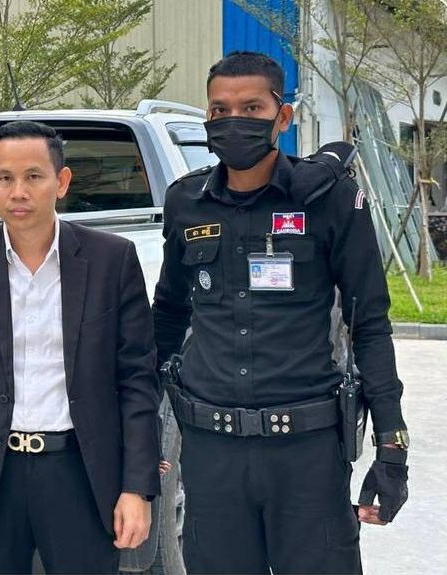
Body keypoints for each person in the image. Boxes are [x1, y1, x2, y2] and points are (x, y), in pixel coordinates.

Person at [153, 51, 409, 574]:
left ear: (282, 116)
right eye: (220, 110)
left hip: (307, 453)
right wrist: (140, 429)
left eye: (251, 108)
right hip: (211, 453)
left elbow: (369, 326)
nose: (233, 121)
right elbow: (169, 316)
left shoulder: (329, 199)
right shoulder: (186, 202)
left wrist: (391, 445)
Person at [0, 120, 161, 574]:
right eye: (5, 178)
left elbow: (138, 382)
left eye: (34, 176)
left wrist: (137, 487)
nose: (19, 192)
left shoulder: (112, 260)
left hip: (81, 473)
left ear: (61, 182)